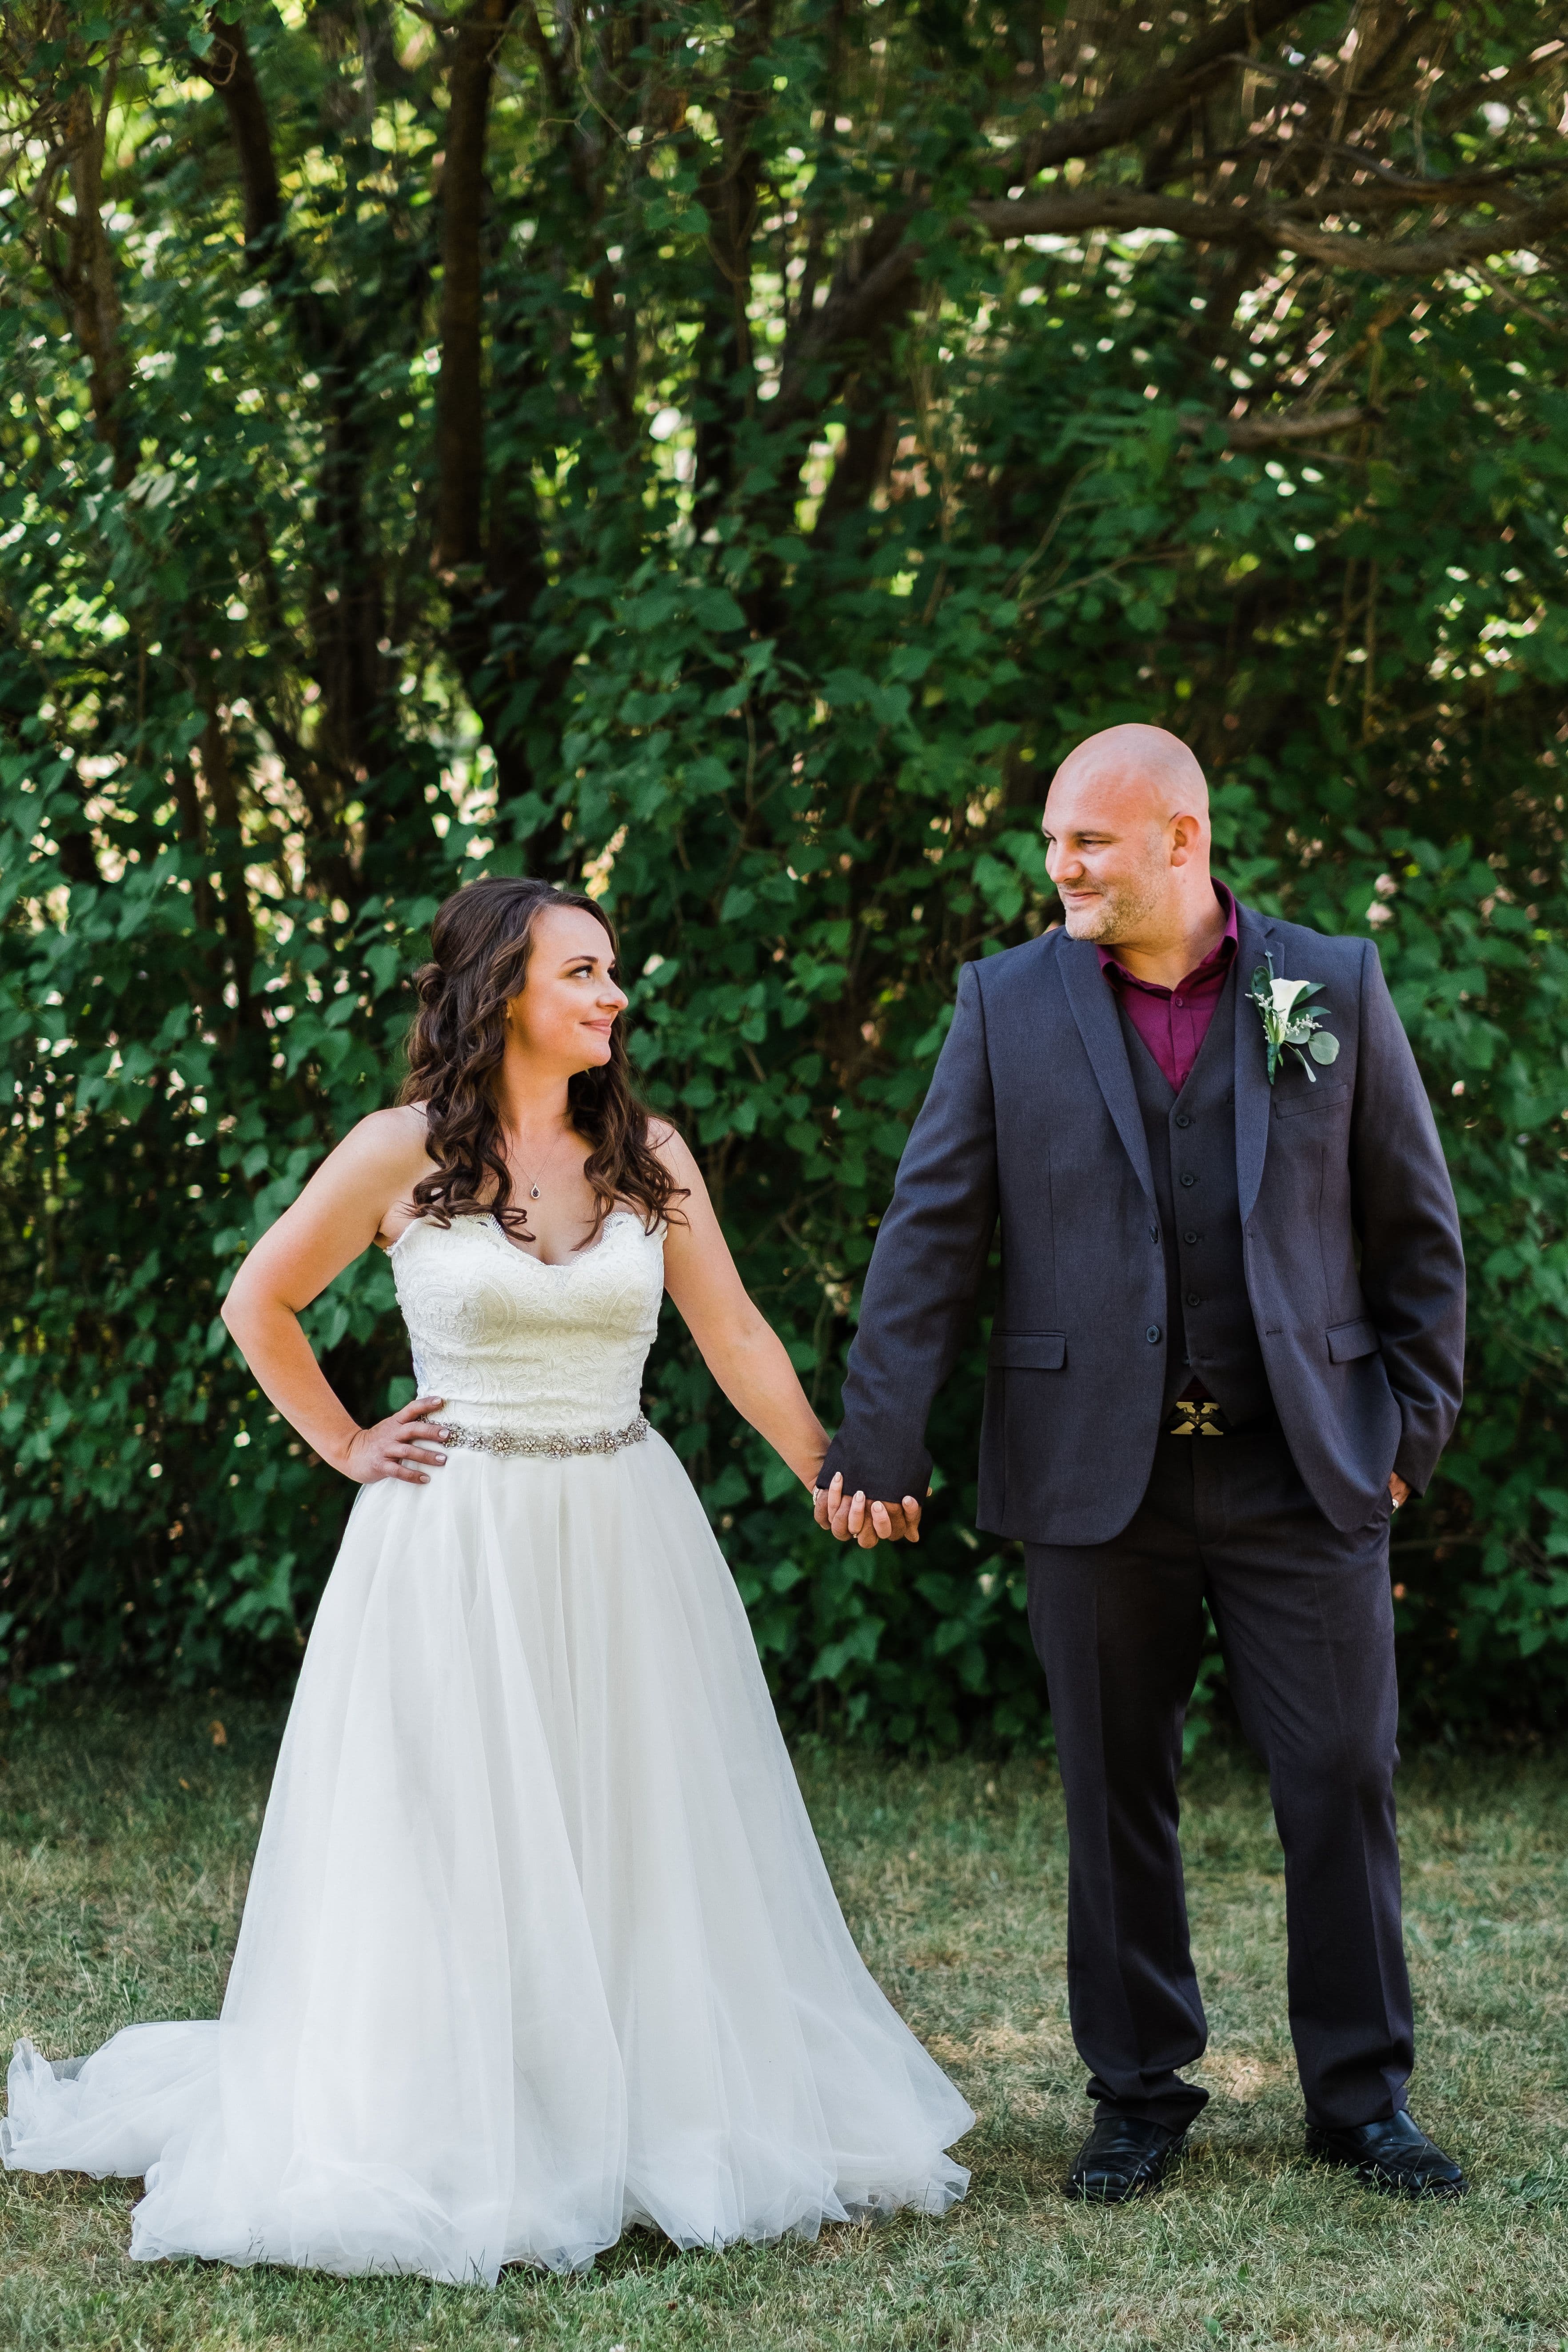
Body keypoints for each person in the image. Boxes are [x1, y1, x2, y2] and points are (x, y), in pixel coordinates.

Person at [3, 877, 972, 2283]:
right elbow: (257, 1301)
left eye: (613, 971)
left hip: (622, 1530)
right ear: (500, 989)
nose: (613, 994)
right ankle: (452, 2110)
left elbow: (736, 1336)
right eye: (582, 972)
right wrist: (346, 1441)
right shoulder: (397, 1153)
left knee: (628, 1817)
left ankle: (637, 2100)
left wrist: (831, 1470)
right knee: (452, 1830)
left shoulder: (647, 1155)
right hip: (452, 1542)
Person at [814, 724, 1468, 2204]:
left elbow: (1415, 1231)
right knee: (1113, 1789)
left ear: (1181, 840)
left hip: (1303, 1467)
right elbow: (931, 1232)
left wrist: (1404, 1437)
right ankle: (1136, 2093)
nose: (1058, 866)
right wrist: (880, 1435)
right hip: (1089, 1474)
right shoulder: (1003, 1004)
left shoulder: (1327, 986)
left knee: (1339, 1778)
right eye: (1051, 840)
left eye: (1087, 841)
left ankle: (1359, 2099)